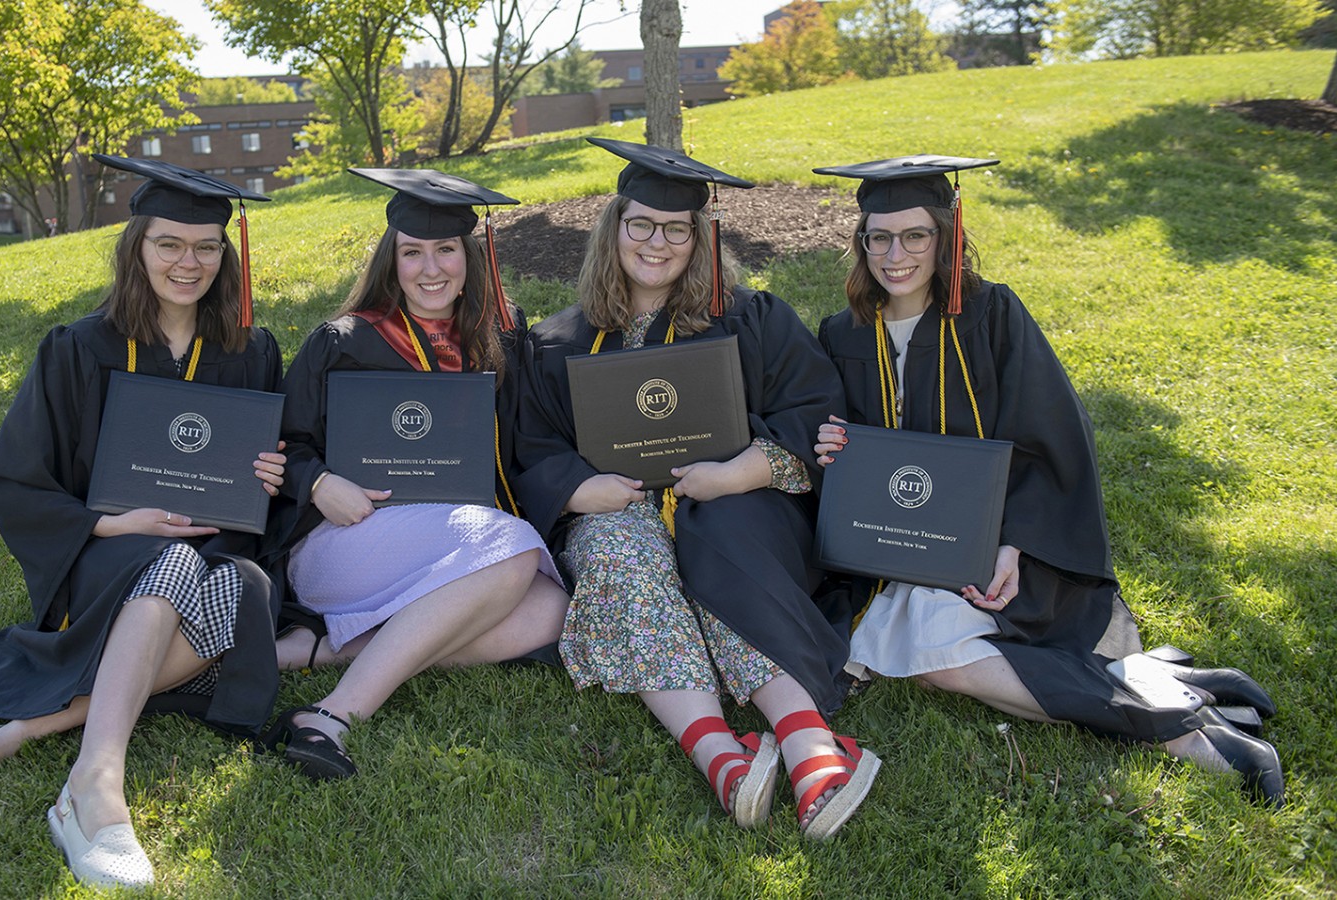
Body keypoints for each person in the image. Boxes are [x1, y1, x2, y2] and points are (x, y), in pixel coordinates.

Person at [811, 155, 1284, 805]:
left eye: (914, 235)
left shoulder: (991, 315)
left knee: (941, 665)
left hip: (1000, 544)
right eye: (879, 237)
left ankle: (1178, 730)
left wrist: (1015, 542)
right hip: (897, 554)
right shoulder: (842, 334)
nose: (896, 254)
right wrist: (828, 442)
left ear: (943, 237)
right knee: (931, 663)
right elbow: (845, 448)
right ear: (860, 245)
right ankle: (1159, 686)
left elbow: (1051, 433)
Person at [0, 156, 289, 888]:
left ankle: (14, 734)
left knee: (238, 588)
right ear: (137, 248)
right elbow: (14, 478)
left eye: (207, 247)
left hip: (211, 552)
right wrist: (113, 524)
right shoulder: (75, 349)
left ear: (226, 252)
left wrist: (269, 479)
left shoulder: (252, 353)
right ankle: (98, 787)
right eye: (169, 244)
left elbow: (264, 480)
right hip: (100, 558)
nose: (189, 262)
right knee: (171, 564)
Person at [515, 138, 879, 837]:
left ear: (698, 236)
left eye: (675, 228)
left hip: (741, 505)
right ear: (613, 228)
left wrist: (747, 470)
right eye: (640, 225)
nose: (657, 242)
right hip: (621, 508)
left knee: (718, 529)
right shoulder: (557, 340)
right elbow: (532, 444)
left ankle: (807, 742)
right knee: (620, 546)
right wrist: (577, 491)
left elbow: (813, 411)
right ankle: (721, 755)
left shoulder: (751, 317)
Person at [268, 167, 570, 781]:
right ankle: (335, 715)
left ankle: (324, 650)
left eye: (445, 250)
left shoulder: (498, 340)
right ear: (392, 259)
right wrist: (322, 483)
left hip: (452, 550)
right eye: (412, 253)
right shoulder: (345, 340)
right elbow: (283, 443)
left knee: (552, 613)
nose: (430, 269)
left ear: (470, 257)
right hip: (345, 542)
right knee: (512, 553)